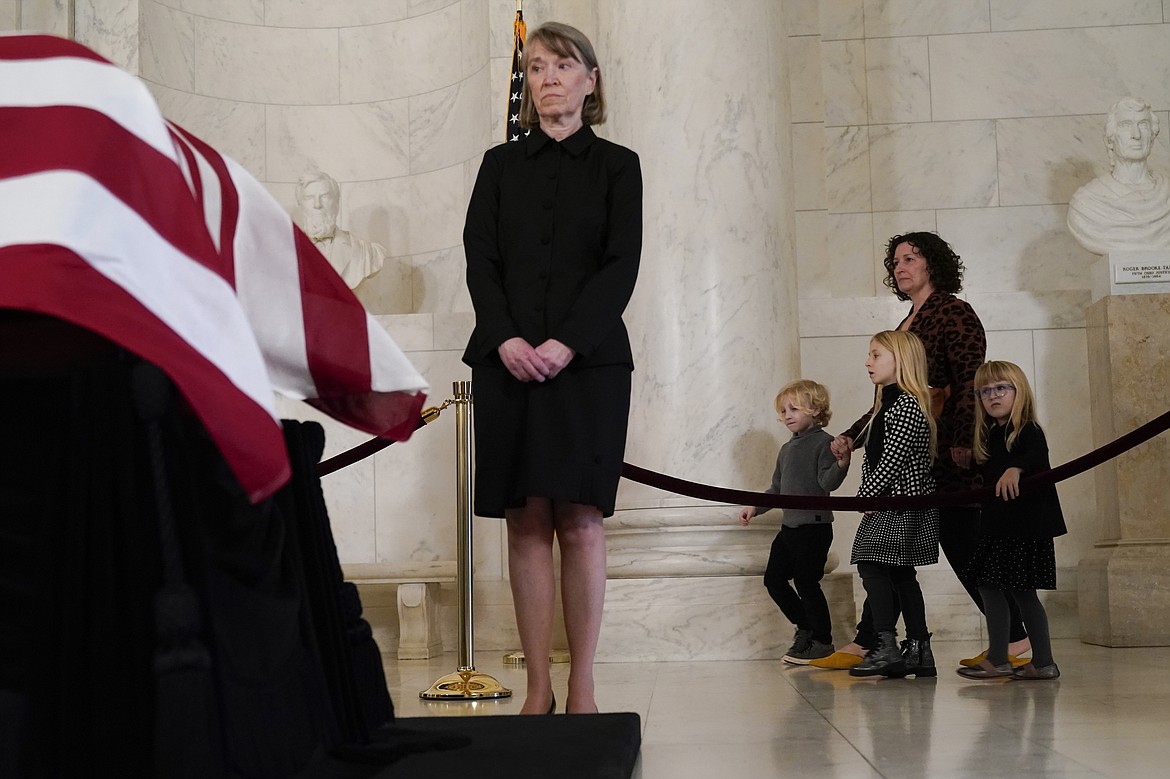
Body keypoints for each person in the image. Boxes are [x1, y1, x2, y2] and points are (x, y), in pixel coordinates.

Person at [461, 22, 641, 715]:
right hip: (506, 363)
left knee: (581, 520)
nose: (547, 80)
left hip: (588, 365)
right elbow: (482, 261)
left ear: (590, 81)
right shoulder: (497, 166)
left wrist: (567, 341)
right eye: (536, 68)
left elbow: (620, 264)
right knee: (524, 519)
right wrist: (504, 337)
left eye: (563, 66)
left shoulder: (618, 166)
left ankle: (582, 683)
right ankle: (537, 685)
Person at [817, 232, 1032, 670]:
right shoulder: (905, 324)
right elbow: (897, 397)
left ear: (932, 264)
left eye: (910, 258)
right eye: (896, 261)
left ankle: (1015, 639)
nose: (900, 267)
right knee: (891, 553)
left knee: (963, 543)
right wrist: (852, 436)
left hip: (949, 452)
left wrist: (961, 442)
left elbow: (971, 380)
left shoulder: (954, 312)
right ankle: (871, 641)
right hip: (916, 449)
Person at [957, 362, 1066, 681]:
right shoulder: (991, 433)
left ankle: (1039, 661)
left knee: (1021, 592)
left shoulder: (1028, 429)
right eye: (985, 391)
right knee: (989, 584)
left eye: (1001, 388)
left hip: (1024, 526)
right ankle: (1003, 657)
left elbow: (1035, 457)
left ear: (1019, 392)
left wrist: (1016, 468)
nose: (993, 396)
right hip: (1000, 524)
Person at [739, 380, 851, 665]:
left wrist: (841, 464)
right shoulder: (787, 450)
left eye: (794, 409)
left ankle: (823, 640)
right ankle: (806, 627)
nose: (787, 415)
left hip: (814, 528)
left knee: (806, 581)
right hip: (789, 528)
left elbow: (827, 482)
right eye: (783, 410)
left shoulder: (823, 443)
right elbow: (777, 489)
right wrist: (756, 507)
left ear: (815, 410)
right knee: (774, 580)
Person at [848, 331, 939, 678]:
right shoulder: (888, 404)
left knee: (872, 564)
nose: (868, 362)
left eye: (876, 355)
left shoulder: (906, 405)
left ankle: (886, 645)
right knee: (901, 574)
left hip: (899, 501)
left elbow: (891, 461)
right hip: (894, 500)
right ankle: (918, 649)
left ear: (900, 360)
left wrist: (866, 495)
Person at [1067, 96, 1170, 255]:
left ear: (1152, 136)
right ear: (1110, 140)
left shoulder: (1167, 193)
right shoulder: (1087, 204)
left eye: (1143, 124)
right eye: (1125, 125)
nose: (1136, 135)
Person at [295, 169, 387, 288]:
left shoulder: (366, 253)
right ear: (300, 206)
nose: (317, 204)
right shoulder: (287, 253)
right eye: (309, 198)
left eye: (325, 197)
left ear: (337, 204)